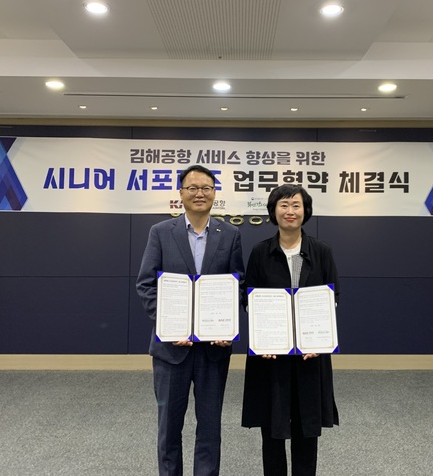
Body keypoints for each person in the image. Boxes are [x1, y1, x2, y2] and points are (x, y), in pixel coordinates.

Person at [136, 164, 245, 476]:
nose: (200, 193)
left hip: (213, 350)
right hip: (171, 350)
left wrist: (227, 325)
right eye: (193, 188)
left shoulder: (230, 234)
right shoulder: (160, 232)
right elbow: (146, 285)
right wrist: (169, 326)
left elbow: (236, 285)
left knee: (210, 429)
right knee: (169, 428)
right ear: (181, 193)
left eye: (206, 188)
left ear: (214, 193)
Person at [241, 184, 339, 476]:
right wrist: (262, 339)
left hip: (310, 356)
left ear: (305, 211)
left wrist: (319, 340)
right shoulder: (261, 252)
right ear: (273, 212)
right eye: (283, 205)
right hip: (271, 357)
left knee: (307, 428)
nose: (290, 211)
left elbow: (332, 298)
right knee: (272, 428)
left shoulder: (321, 251)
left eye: (296, 205)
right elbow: (249, 298)